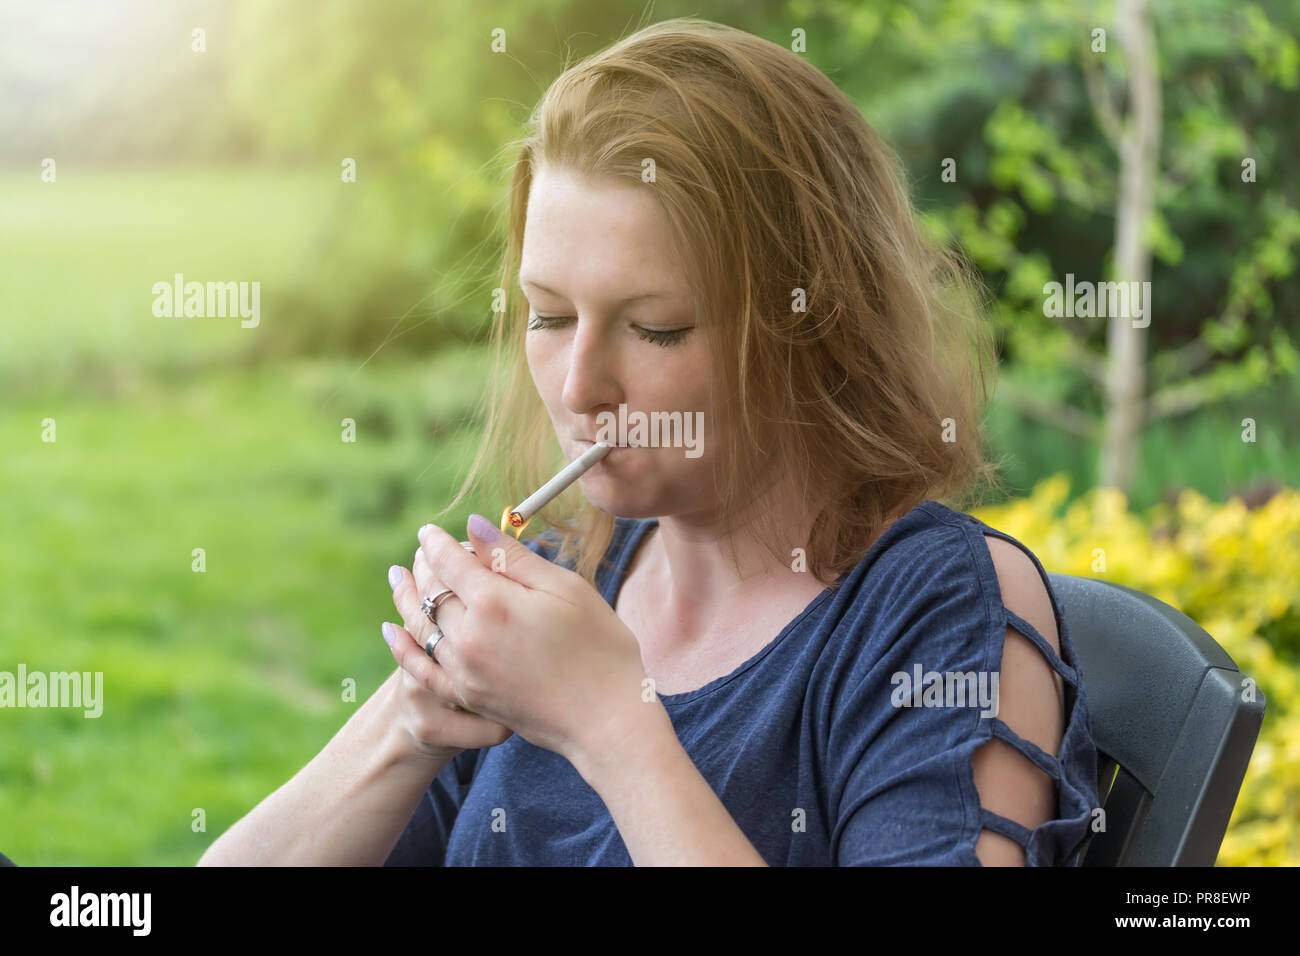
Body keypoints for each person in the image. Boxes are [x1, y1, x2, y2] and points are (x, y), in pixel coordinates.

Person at [198, 17, 1098, 867]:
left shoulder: (927, 607)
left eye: (657, 328)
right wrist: (408, 722)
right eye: (549, 315)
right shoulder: (567, 579)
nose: (580, 387)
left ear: (813, 324)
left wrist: (612, 724)